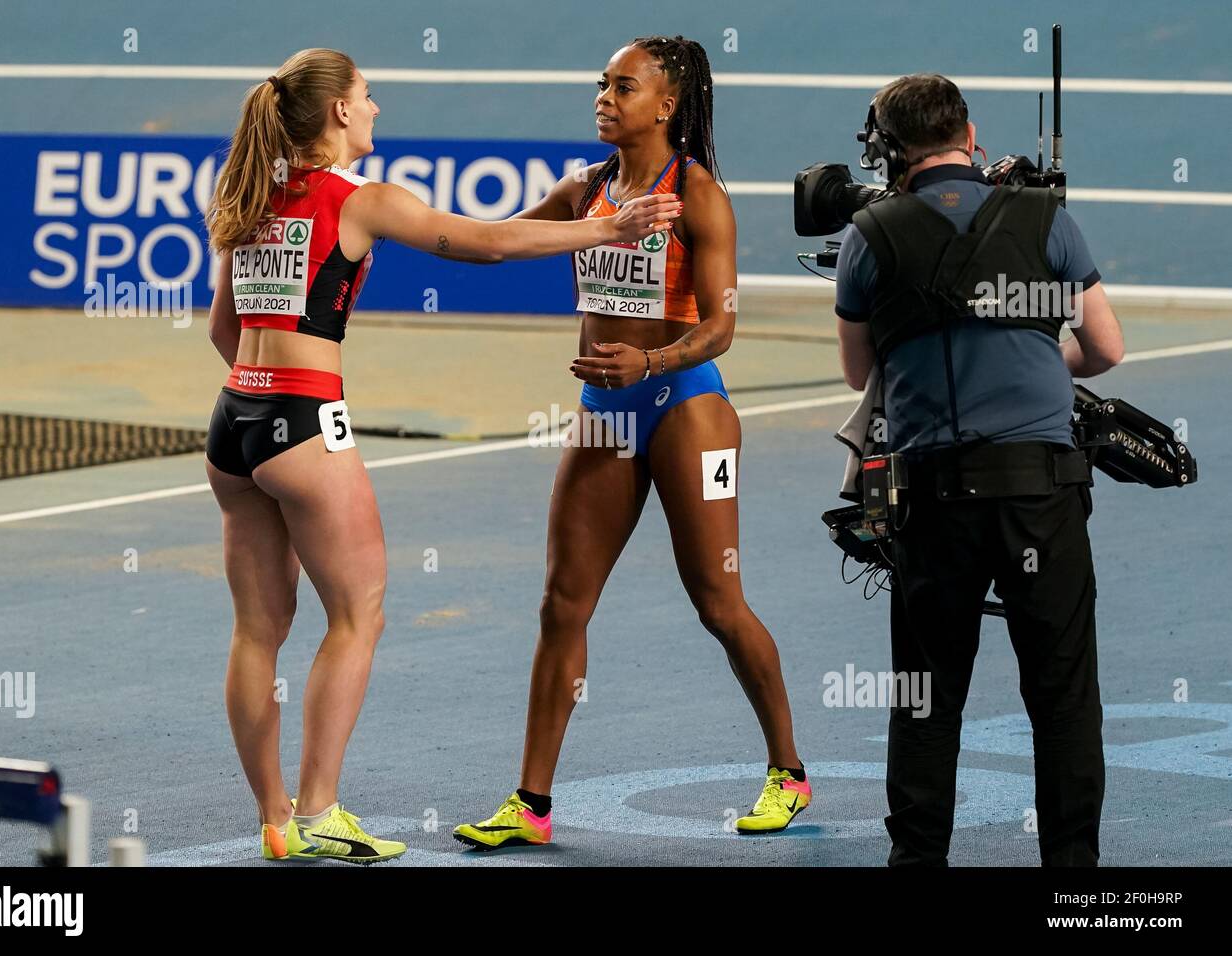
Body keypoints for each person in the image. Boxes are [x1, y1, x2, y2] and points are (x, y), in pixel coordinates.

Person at [204, 47, 679, 864]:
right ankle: (320, 813)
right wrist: (609, 225)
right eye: (369, 96)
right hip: (306, 423)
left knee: (257, 631)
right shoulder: (363, 201)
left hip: (233, 424)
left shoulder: (250, 196)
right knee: (359, 614)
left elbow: (223, 329)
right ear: (339, 114)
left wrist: (266, 396)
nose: (378, 109)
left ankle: (275, 817)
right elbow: (483, 243)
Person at [453, 35, 810, 851]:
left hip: (687, 407)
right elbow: (496, 242)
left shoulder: (700, 196)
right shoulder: (583, 190)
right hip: (603, 413)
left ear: (667, 102)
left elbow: (721, 326)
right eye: (601, 85)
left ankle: (787, 771)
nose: (604, 99)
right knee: (561, 605)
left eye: (623, 86)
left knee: (717, 603)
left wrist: (648, 359)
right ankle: (532, 803)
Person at [833, 73, 1125, 866]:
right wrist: (1034, 353)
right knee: (1063, 699)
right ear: (971, 132)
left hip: (935, 503)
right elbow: (1104, 350)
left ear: (890, 150)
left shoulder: (869, 234)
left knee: (926, 701)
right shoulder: (1045, 217)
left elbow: (861, 375)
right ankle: (1074, 882)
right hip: (1043, 492)